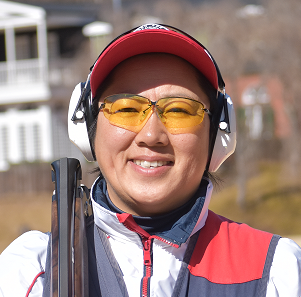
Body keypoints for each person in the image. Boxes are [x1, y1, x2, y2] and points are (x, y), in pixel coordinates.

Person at [0, 23, 300, 297]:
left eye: (181, 110)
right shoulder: (32, 272)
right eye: (126, 108)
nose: (151, 135)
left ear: (220, 133)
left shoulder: (275, 271)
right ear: (86, 128)